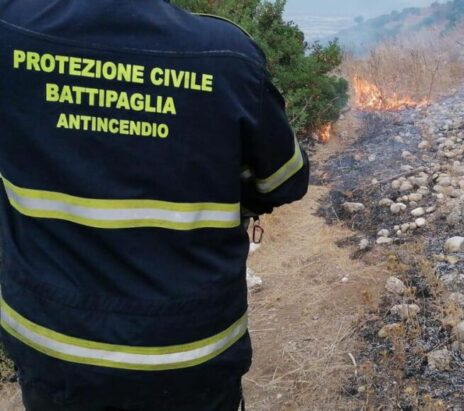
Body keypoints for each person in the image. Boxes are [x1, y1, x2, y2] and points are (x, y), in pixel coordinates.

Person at [0, 0, 309, 410]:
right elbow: (283, 181)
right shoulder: (226, 55)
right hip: (187, 352)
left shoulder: (10, 30)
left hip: (54, 345)